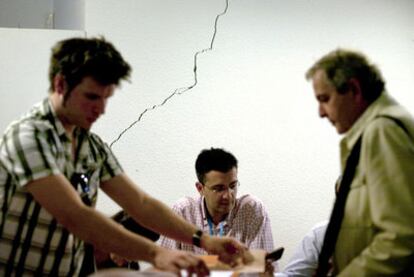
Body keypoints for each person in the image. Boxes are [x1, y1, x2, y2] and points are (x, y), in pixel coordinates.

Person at [0, 37, 249, 276]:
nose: (101, 109)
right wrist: (156, 253)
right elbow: (74, 215)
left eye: (106, 98)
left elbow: (140, 204)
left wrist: (204, 239)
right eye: (92, 97)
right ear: (60, 85)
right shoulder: (27, 136)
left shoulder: (92, 146)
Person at [305, 49, 414, 275]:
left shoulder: (382, 130)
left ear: (354, 89)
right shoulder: (375, 131)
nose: (320, 113)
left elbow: (400, 236)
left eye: (325, 99)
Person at [158, 148, 276, 267]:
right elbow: (163, 268)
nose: (228, 195)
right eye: (219, 189)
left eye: (233, 186)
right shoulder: (183, 211)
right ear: (200, 188)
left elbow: (264, 268)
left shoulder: (252, 210)